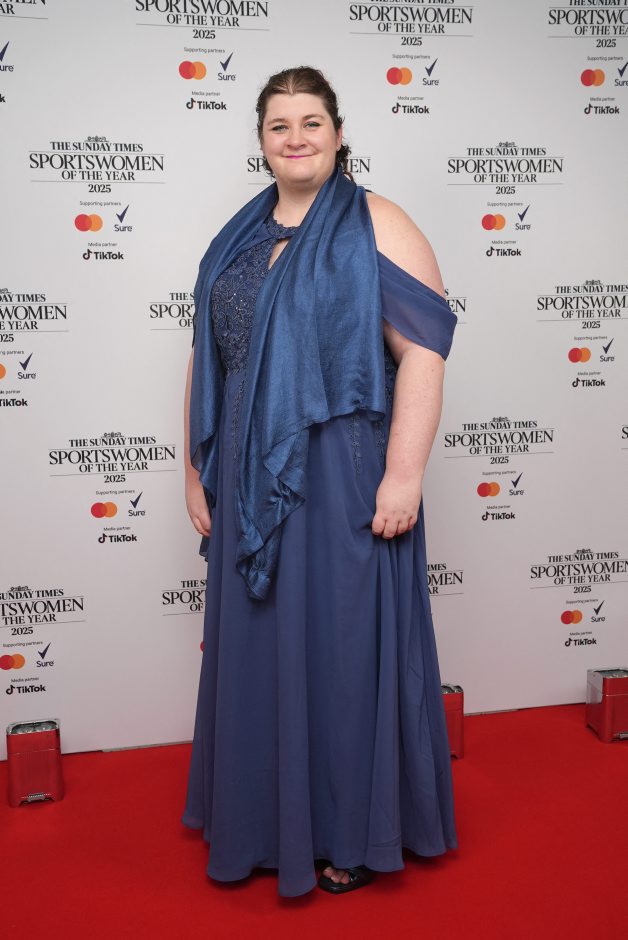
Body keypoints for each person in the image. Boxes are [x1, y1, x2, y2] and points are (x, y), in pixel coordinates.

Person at [181, 66, 458, 897]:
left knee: (341, 651)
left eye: (311, 122)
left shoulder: (379, 222)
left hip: (342, 474)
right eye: (279, 125)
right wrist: (194, 469)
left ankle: (348, 832)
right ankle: (264, 823)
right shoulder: (237, 235)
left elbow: (424, 353)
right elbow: (208, 359)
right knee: (263, 649)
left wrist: (403, 475)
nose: (296, 138)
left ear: (338, 133)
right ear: (261, 141)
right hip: (244, 467)